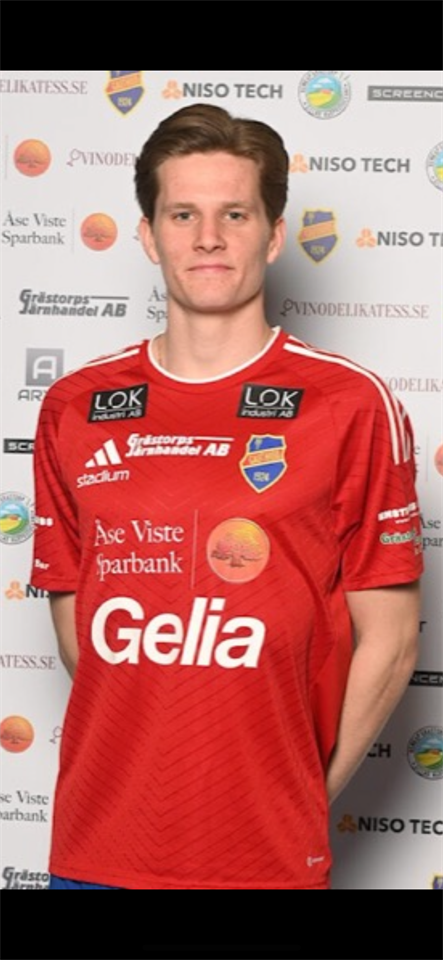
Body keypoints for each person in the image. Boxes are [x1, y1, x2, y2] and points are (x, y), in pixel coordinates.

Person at [31, 104, 423, 890]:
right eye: (183, 214)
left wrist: (298, 796)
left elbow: (390, 640)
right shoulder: (75, 406)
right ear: (149, 235)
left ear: (272, 236)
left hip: (262, 857)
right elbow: (82, 626)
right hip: (95, 848)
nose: (207, 237)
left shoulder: (347, 403)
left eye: (233, 214)